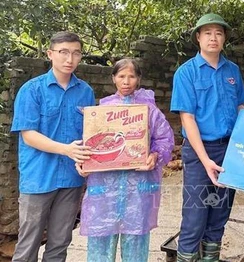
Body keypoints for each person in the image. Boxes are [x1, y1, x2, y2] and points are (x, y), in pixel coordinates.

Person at [76, 58, 174, 261]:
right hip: (104, 191)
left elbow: (165, 139)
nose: (126, 81)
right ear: (114, 79)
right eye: (121, 76)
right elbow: (90, 142)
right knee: (100, 243)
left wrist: (155, 155)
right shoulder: (101, 111)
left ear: (138, 79)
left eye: (131, 76)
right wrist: (84, 163)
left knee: (136, 243)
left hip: (138, 190)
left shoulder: (149, 111)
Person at [10, 31, 95, 261]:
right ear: (50, 54)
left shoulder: (86, 92)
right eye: (63, 52)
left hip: (71, 178)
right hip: (38, 178)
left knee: (60, 243)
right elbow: (29, 135)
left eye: (76, 53)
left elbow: (91, 134)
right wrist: (66, 149)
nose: (70, 59)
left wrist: (89, 163)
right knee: (28, 244)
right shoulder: (31, 90)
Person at [170, 13, 244, 262]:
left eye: (218, 33)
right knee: (195, 217)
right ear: (198, 38)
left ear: (224, 38)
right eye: (207, 33)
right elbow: (188, 119)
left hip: (229, 152)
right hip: (198, 153)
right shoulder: (186, 73)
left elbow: (241, 111)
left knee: (219, 215)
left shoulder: (232, 71)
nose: (213, 38)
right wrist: (205, 161)